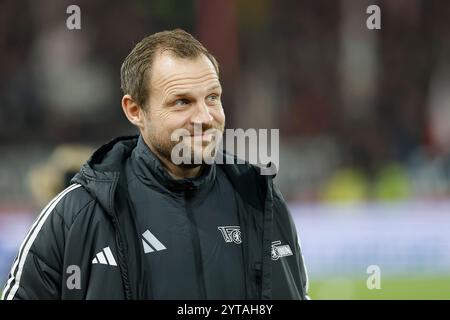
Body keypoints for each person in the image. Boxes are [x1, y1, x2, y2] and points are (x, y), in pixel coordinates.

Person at [2, 29, 309, 300]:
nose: (205, 117)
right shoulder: (77, 214)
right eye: (182, 102)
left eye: (212, 98)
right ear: (135, 110)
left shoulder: (259, 200)